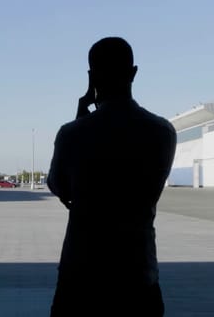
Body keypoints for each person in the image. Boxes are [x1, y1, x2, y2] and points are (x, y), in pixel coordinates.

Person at [47, 37, 177, 316]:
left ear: (91, 78)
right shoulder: (162, 132)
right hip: (137, 271)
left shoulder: (72, 133)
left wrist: (80, 120)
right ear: (133, 73)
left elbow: (58, 186)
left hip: (81, 273)